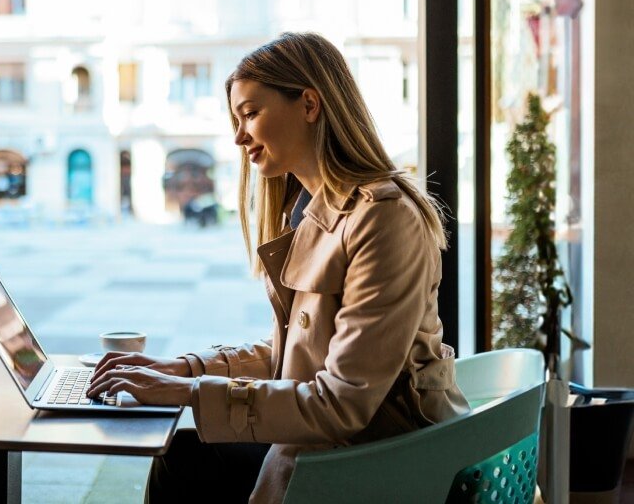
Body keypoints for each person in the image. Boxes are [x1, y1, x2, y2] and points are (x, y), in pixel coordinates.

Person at [87, 33, 469, 503]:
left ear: (309, 104)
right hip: (339, 445)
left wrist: (186, 393)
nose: (238, 135)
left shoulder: (384, 218)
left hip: (384, 459)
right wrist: (182, 370)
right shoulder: (310, 207)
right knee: (185, 455)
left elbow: (343, 402)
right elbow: (292, 354)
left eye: (250, 113)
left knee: (188, 462)